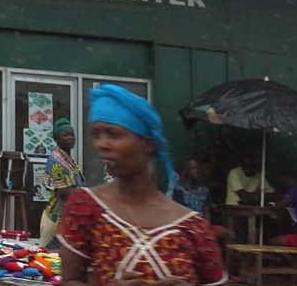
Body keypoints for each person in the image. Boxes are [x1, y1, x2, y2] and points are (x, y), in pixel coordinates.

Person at [58, 84, 227, 285]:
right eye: (96, 134)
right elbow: (70, 280)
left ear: (147, 144)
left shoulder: (193, 227)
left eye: (113, 134)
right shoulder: (86, 207)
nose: (101, 144)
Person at [39, 118, 85, 247]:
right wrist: (89, 195)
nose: (70, 138)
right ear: (57, 139)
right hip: (55, 220)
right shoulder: (56, 161)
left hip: (67, 219)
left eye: (72, 135)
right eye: (65, 135)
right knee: (44, 256)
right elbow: (64, 193)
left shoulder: (69, 160)